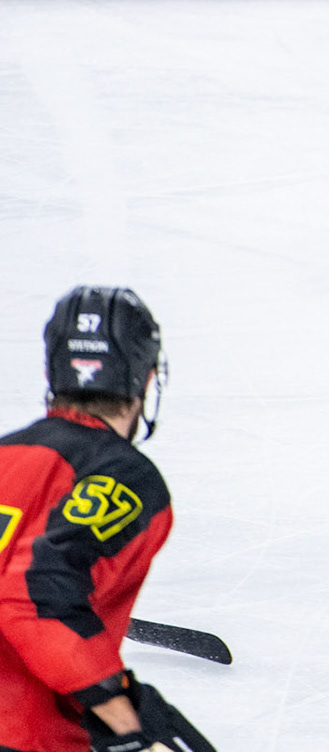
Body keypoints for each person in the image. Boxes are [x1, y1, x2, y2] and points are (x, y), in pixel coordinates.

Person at [0, 287, 215, 752]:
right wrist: (119, 711)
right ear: (148, 378)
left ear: (50, 372)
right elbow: (36, 597)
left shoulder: (5, 454)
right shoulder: (123, 475)